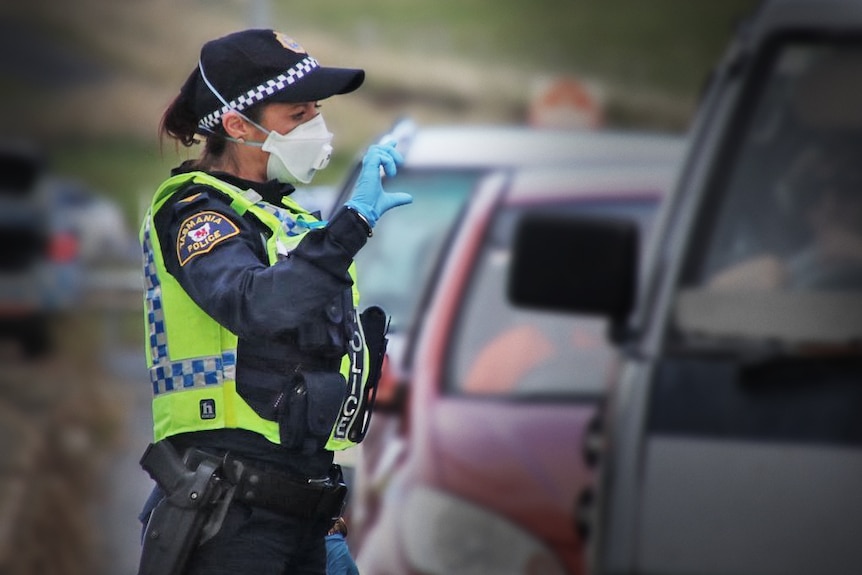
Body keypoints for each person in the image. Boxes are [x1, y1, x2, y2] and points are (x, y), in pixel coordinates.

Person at [135, 28, 411, 575]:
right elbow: (256, 304)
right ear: (238, 125)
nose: (316, 126)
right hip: (230, 515)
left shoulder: (290, 222)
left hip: (306, 513)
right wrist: (350, 227)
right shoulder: (197, 214)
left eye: (316, 110)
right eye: (297, 114)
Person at [709, 142, 862, 291]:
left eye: (848, 189)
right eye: (814, 192)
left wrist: (855, 249)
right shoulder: (775, 261)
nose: (830, 206)